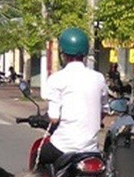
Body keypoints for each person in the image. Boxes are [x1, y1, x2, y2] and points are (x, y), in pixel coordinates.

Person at [38, 27, 108, 167]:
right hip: (91, 149)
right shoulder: (98, 78)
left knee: (39, 155)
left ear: (62, 53)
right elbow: (104, 110)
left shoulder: (57, 79)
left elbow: (54, 117)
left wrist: (41, 118)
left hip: (63, 147)